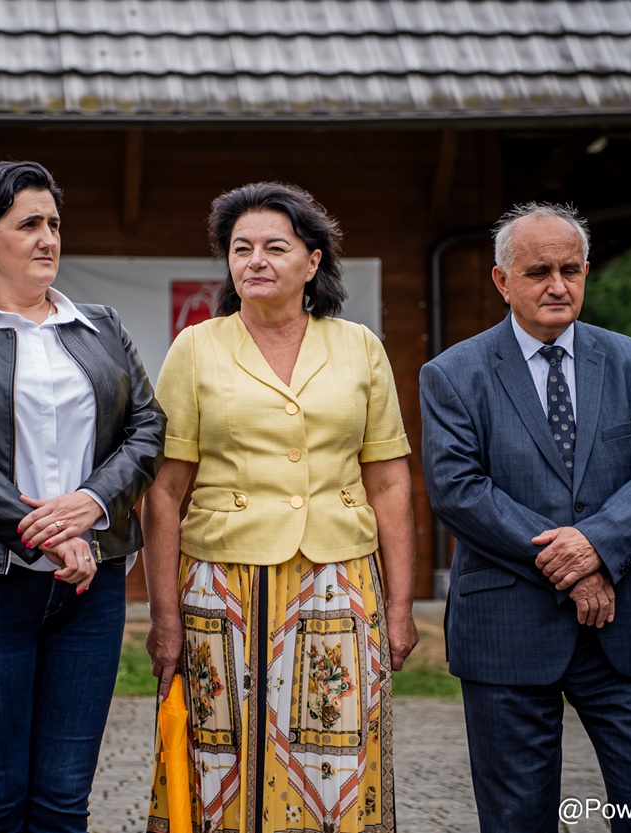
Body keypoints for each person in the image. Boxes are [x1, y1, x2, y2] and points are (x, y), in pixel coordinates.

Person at [0, 160, 165, 833]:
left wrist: (91, 502)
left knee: (63, 803)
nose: (48, 238)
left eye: (54, 223)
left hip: (90, 591)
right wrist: (44, 529)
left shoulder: (102, 326)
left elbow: (147, 427)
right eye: (29, 224)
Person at [144, 181, 418, 833]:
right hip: (221, 586)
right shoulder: (195, 347)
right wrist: (163, 615)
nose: (255, 260)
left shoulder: (360, 346)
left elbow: (389, 482)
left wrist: (401, 605)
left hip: (340, 579)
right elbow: (164, 490)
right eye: (241, 248)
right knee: (221, 753)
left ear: (313, 261)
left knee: (335, 756)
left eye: (275, 246)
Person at [420, 202, 631, 833]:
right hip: (506, 631)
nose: (557, 285)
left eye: (570, 270)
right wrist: (572, 565)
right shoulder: (453, 375)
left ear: (586, 272)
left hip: (623, 630)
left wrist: (596, 545)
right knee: (517, 820)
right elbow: (459, 491)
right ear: (502, 280)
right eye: (538, 271)